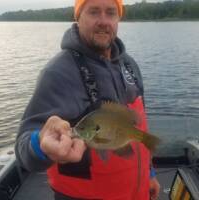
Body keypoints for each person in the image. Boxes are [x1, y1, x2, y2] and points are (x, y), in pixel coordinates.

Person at [15, 0, 160, 199]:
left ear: (118, 18)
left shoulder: (129, 65)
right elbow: (23, 151)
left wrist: (149, 174)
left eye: (110, 13)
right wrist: (40, 143)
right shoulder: (58, 73)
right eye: (93, 12)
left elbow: (139, 126)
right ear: (77, 17)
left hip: (137, 191)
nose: (103, 21)